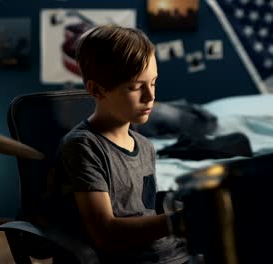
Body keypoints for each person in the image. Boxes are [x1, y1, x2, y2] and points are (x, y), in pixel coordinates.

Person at [50, 24, 190, 263]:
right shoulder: (83, 147)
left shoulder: (144, 145)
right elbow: (106, 234)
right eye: (136, 87)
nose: (150, 96)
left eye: (153, 82)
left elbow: (143, 211)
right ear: (96, 89)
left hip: (171, 253)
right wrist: (179, 221)